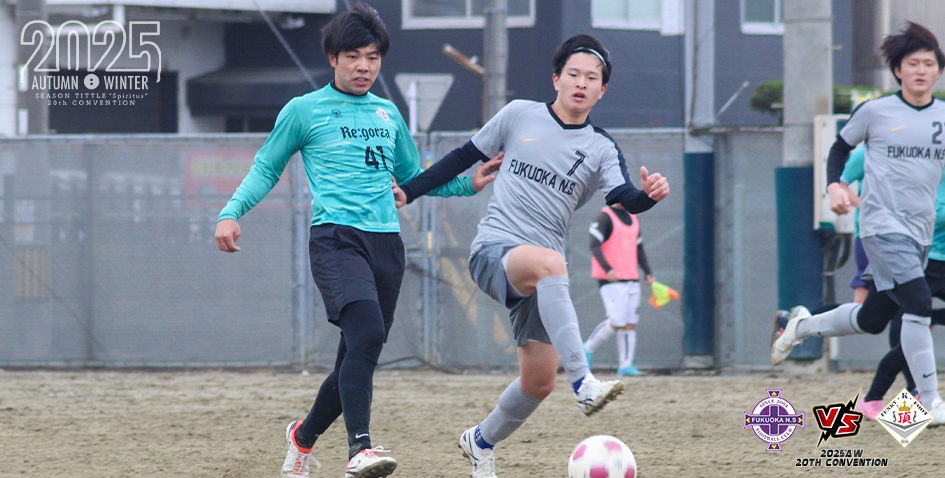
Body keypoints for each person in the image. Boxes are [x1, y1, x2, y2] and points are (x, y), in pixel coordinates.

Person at [214, 5, 501, 478]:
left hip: (387, 244)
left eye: (372, 57)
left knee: (357, 354)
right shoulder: (303, 110)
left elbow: (412, 177)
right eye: (353, 56)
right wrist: (231, 212)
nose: (364, 66)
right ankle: (359, 451)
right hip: (336, 239)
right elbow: (266, 167)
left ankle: (301, 438)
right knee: (366, 335)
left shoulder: (388, 113)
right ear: (333, 58)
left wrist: (467, 184)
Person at [394, 34, 669, 477]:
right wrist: (409, 191)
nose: (581, 83)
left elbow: (624, 197)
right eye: (573, 74)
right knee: (551, 263)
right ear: (556, 79)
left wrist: (648, 196)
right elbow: (461, 157)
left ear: (602, 90)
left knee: (539, 381)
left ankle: (480, 442)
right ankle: (584, 383)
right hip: (495, 250)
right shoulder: (519, 113)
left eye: (592, 78)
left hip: (542, 276)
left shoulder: (601, 147)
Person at [772, 22, 945, 425]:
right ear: (898, 70)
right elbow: (839, 148)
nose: (921, 70)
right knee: (919, 305)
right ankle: (930, 402)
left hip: (921, 234)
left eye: (928, 63)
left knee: (871, 319)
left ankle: (801, 325)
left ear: (938, 70)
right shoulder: (875, 111)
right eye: (912, 63)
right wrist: (834, 185)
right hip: (882, 229)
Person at [583, 203, 655, 376]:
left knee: (629, 324)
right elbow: (594, 245)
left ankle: (626, 365)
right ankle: (586, 349)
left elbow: (639, 248)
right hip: (611, 279)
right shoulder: (604, 217)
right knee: (616, 321)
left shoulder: (633, 217)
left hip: (632, 278)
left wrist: (647, 272)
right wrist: (608, 269)